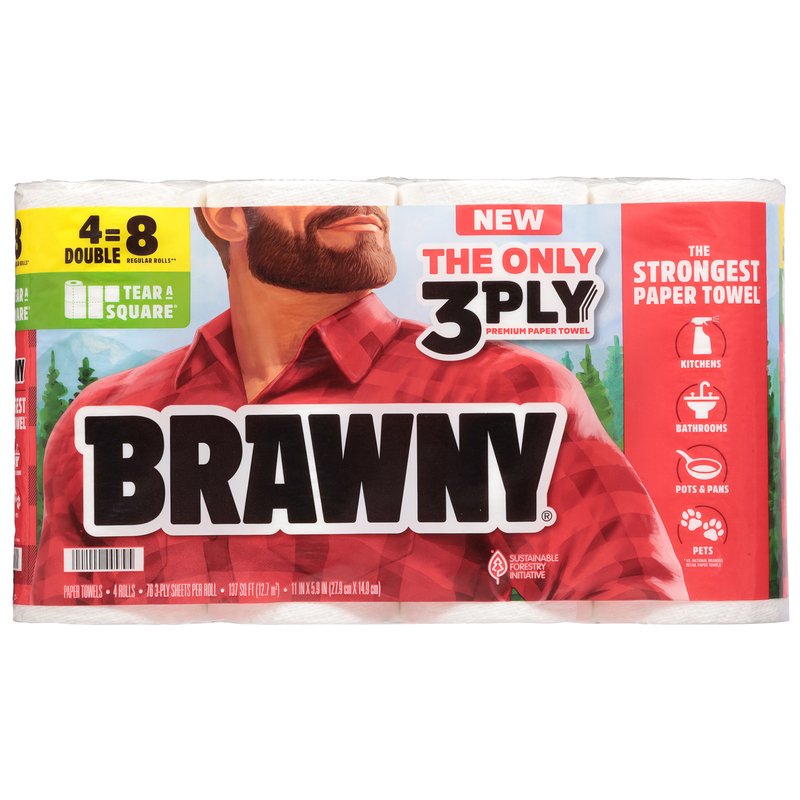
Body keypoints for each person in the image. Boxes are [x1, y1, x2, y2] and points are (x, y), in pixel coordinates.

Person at [32, 203, 687, 604]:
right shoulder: (105, 419)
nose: (362, 197)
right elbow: (57, 639)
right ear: (227, 214)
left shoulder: (501, 390)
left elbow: (633, 601)